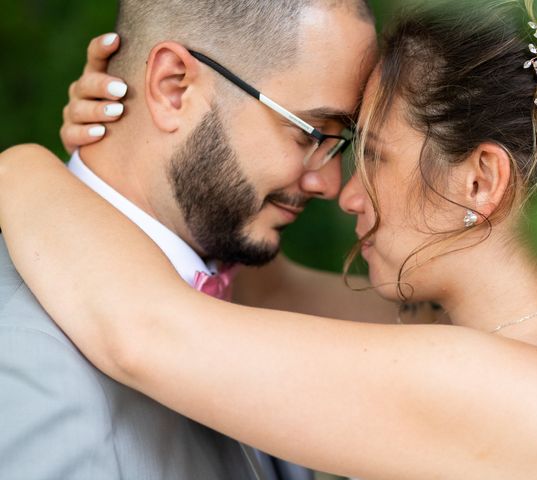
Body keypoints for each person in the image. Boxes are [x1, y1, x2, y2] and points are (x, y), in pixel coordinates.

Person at [2, 0, 537, 478]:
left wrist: (19, 165)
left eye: (375, 155)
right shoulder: (495, 344)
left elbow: (149, 330)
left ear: (480, 181)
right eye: (316, 134)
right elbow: (265, 287)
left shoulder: (524, 393)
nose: (344, 191)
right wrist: (142, 133)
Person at [0, 1, 390, 479]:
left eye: (339, 142)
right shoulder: (28, 364)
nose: (330, 185)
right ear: (172, 88)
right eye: (309, 133)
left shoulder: (251, 297)